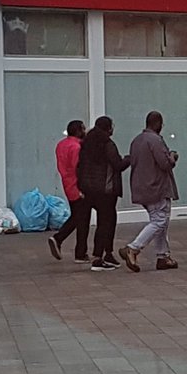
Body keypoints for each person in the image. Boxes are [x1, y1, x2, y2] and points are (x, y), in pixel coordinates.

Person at [119, 111, 179, 273]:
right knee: (159, 220)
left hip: (141, 187)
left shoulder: (136, 140)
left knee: (161, 222)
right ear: (158, 123)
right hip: (156, 187)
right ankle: (133, 248)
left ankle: (163, 256)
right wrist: (172, 156)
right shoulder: (155, 140)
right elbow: (165, 164)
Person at [77, 116, 129, 272]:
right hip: (106, 191)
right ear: (108, 128)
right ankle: (100, 257)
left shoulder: (86, 144)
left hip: (89, 190)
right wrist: (129, 159)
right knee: (107, 223)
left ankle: (106, 255)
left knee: (102, 223)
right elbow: (117, 165)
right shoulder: (107, 144)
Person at [48, 120, 91, 263]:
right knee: (81, 218)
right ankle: (61, 239)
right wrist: (83, 188)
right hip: (77, 186)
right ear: (79, 131)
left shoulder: (61, 145)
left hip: (67, 184)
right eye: (83, 129)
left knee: (78, 216)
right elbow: (78, 168)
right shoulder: (77, 147)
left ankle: (80, 252)